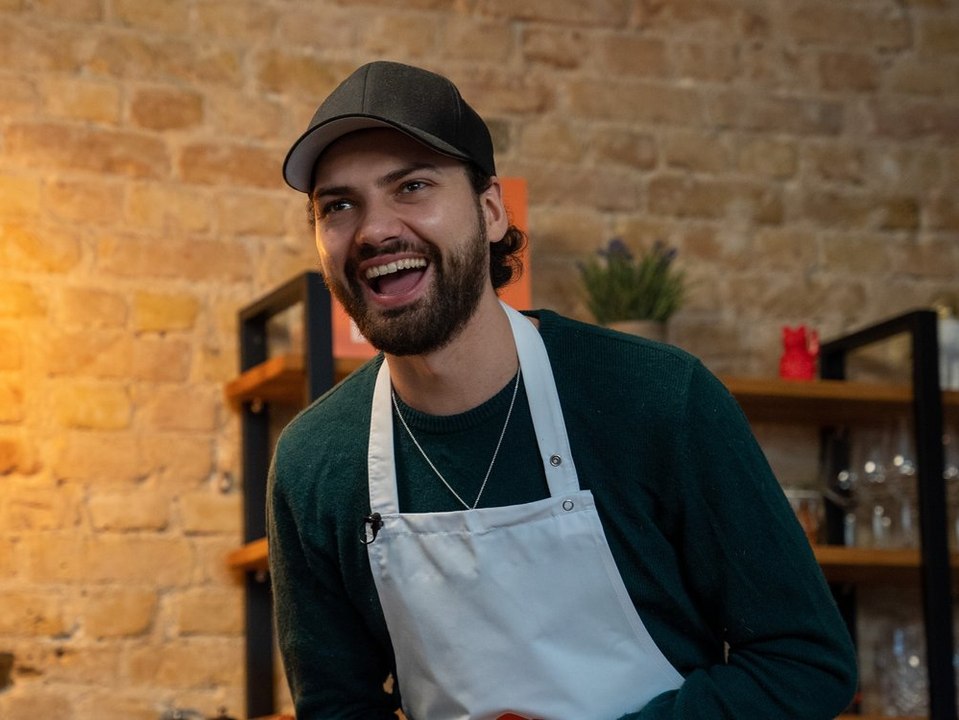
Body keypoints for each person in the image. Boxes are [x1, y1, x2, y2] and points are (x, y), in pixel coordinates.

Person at [268, 60, 858, 720]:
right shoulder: (314, 462)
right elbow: (335, 706)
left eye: (411, 186)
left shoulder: (658, 398)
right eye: (338, 205)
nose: (374, 229)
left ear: (491, 211)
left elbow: (804, 661)